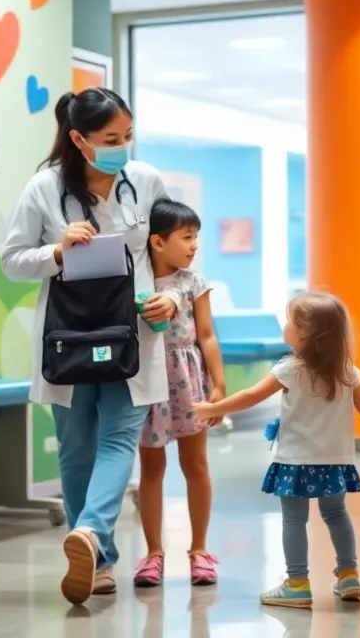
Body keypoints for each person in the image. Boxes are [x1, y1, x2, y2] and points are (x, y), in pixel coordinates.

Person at [1, 88, 177, 606]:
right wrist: (56, 250)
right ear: (78, 139)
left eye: (128, 135)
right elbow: (12, 260)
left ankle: (90, 536)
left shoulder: (145, 181)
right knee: (77, 446)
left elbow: (171, 252)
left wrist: (169, 299)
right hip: (71, 334)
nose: (123, 146)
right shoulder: (44, 188)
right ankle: (95, 557)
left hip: (134, 329)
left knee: (120, 436)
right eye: (110, 139)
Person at [193, 291, 360, 609]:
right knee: (336, 514)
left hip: (296, 462)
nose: (285, 325)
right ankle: (349, 575)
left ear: (304, 333)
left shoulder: (290, 369)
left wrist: (214, 408)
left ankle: (297, 584)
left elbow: (251, 396)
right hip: (336, 462)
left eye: (289, 320)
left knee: (294, 519)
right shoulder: (347, 370)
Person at [133, 198, 226, 588]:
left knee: (196, 465)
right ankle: (154, 552)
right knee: (152, 469)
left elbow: (206, 334)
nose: (194, 246)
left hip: (189, 380)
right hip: (147, 380)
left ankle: (200, 550)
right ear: (157, 241)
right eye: (187, 237)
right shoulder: (136, 282)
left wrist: (219, 385)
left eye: (196, 238)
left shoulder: (194, 282)